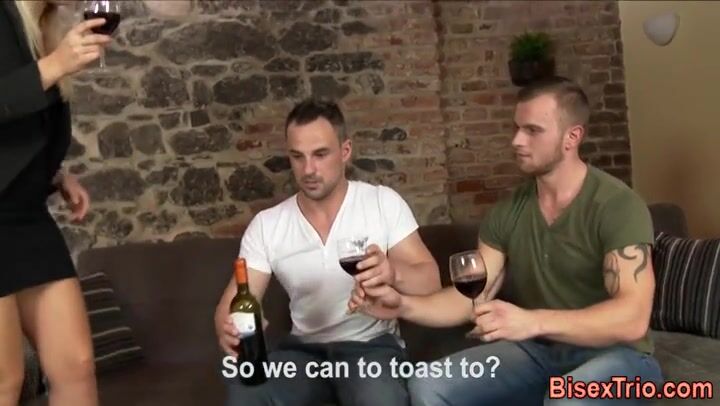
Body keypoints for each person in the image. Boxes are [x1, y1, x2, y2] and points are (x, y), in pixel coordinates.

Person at [349, 77, 664, 405]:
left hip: (620, 357)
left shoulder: (617, 206)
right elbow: (472, 297)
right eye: (516, 128)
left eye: (532, 130)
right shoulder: (508, 211)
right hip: (539, 352)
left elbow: (632, 318)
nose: (517, 140)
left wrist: (531, 321)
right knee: (429, 384)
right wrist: (402, 305)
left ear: (572, 137)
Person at [214, 98, 442, 406]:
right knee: (247, 389)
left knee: (379, 400)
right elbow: (233, 302)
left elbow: (431, 281)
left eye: (320, 154)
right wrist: (229, 328)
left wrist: (393, 272)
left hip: (370, 347)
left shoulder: (381, 202)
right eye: (298, 157)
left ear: (345, 151)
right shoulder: (267, 225)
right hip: (302, 354)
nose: (308, 169)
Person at [0, 1, 111, 405]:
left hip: (25, 215)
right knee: (5, 380)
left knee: (76, 366)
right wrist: (55, 65)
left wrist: (53, 173)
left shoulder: (43, 28)